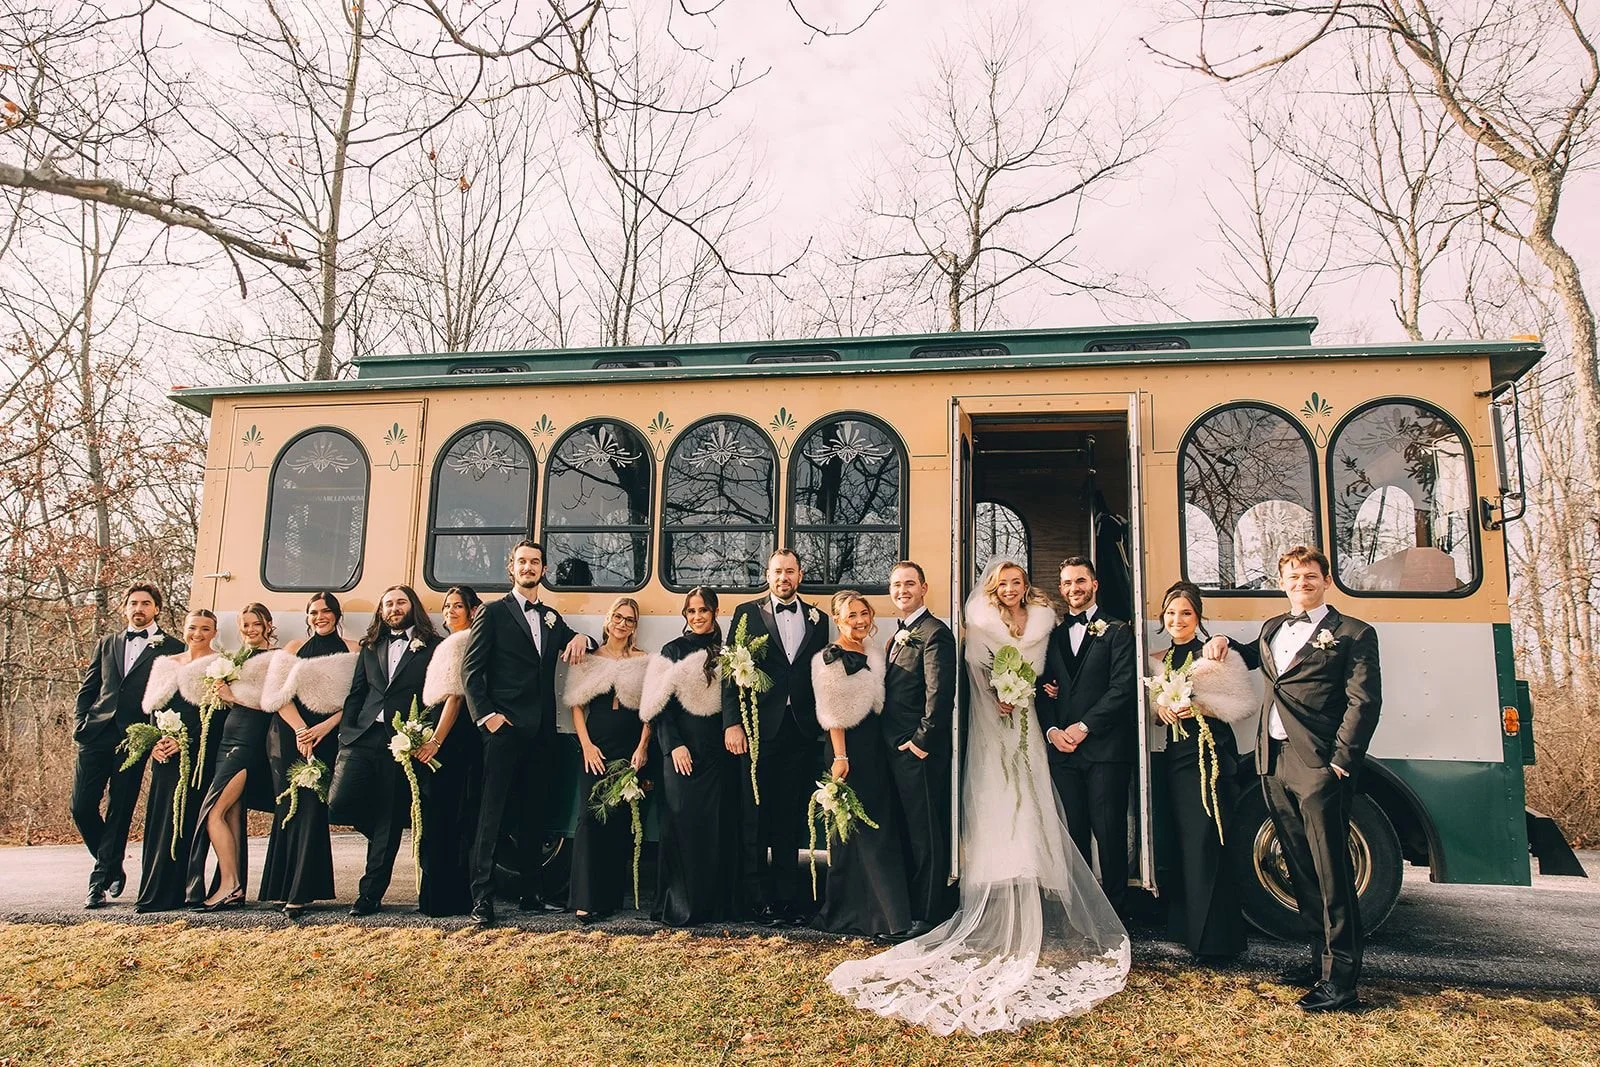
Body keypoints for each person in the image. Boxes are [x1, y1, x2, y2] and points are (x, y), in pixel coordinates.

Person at [827, 559, 1129, 1036]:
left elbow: (1045, 676)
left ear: (1026, 586)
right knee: (994, 801)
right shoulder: (974, 626)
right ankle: (995, 886)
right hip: (992, 726)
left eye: (1017, 582)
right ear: (992, 588)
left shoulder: (1041, 622)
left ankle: (1041, 889)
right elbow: (967, 677)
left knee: (1032, 801)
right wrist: (999, 693)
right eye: (1002, 582)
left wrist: (1031, 692)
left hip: (1028, 724)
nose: (1009, 589)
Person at [1204, 545, 1381, 1013]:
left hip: (1319, 764)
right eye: (1292, 577)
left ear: (1325, 580)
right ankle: (1316, 961)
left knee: (1331, 873)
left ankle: (1342, 982)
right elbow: (1257, 660)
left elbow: (1363, 702)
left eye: (1309, 577)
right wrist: (1221, 639)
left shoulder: (1353, 633)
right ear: (1282, 582)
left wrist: (1340, 762)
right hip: (1274, 760)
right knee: (1299, 866)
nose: (1300, 584)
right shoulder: (1272, 629)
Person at [462, 540, 594, 928]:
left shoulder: (551, 616)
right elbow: (472, 672)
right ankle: (481, 898)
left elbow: (587, 641)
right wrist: (487, 717)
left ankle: (530, 894)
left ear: (544, 569)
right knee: (492, 814)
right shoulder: (492, 613)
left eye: (535, 562)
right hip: (503, 730)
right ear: (511, 568)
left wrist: (581, 639)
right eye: (522, 562)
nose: (528, 568)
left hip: (541, 733)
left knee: (534, 815)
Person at [722, 548, 830, 925]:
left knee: (789, 816)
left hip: (799, 730)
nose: (784, 577)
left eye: (790, 571)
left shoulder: (820, 619)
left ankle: (787, 900)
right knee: (754, 816)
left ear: (800, 576)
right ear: (767, 576)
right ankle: (758, 900)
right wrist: (732, 723)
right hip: (756, 730)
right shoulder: (747, 613)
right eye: (777, 571)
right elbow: (730, 671)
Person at [1149, 582, 1256, 961]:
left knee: (1207, 841)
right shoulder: (1157, 659)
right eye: (1171, 613)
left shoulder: (1215, 656)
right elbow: (1153, 708)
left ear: (1198, 618)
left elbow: (1243, 703)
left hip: (1207, 755)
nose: (1177, 620)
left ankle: (1216, 940)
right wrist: (1161, 711)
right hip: (1174, 758)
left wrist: (1198, 705)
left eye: (1186, 614)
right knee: (1180, 844)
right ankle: (1186, 929)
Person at [327, 585, 440, 916]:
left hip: (401, 740)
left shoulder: (432, 646)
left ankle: (369, 894)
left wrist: (420, 732)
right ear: (380, 611)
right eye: (387, 603)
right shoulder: (371, 645)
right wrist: (347, 731)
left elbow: (435, 694)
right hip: (362, 736)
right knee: (338, 802)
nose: (394, 607)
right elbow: (357, 691)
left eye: (400, 602)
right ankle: (379, 833)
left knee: (389, 820)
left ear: (412, 607)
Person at [73, 582, 185, 909]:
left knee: (120, 809)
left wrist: (155, 735)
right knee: (80, 806)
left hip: (135, 739)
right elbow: (90, 687)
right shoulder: (107, 643)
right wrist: (81, 722)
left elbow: (168, 698)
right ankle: (111, 865)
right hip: (95, 734)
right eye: (133, 603)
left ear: (157, 609)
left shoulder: (172, 647)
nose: (139, 609)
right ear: (125, 607)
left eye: (146, 603)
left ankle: (98, 881)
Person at [1038, 556, 1139, 915]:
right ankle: (1078, 910)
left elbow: (1122, 689)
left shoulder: (1118, 631)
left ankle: (1115, 912)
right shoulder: (1053, 635)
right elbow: (1042, 686)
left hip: (1104, 748)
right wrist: (1051, 731)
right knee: (1073, 833)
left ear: (1094, 585)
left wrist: (1083, 728)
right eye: (1066, 583)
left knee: (1108, 832)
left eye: (1079, 581)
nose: (1073, 589)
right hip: (1063, 750)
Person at [812, 591, 912, 939]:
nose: (859, 620)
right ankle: (887, 917)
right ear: (837, 619)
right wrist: (840, 758)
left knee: (872, 828)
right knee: (860, 832)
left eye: (863, 613)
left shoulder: (872, 652)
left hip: (874, 746)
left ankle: (864, 912)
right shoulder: (828, 658)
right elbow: (831, 713)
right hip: (847, 749)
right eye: (851, 615)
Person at [640, 588, 739, 927]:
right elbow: (659, 705)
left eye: (703, 610)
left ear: (714, 612)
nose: (697, 616)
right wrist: (673, 746)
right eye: (691, 611)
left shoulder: (728, 651)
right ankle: (680, 905)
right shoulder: (673, 650)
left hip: (717, 752)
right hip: (681, 750)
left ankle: (714, 906)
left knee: (716, 827)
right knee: (681, 825)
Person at [260, 592, 358, 918]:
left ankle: (302, 890)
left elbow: (358, 700)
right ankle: (281, 887)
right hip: (290, 734)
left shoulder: (353, 648)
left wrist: (324, 729)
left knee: (313, 809)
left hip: (329, 736)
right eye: (314, 612)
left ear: (336, 614)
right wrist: (302, 730)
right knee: (289, 806)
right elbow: (275, 694)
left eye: (326, 611)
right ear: (308, 616)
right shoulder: (293, 649)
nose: (320, 617)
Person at [880, 561, 957, 934]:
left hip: (918, 752)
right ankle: (909, 907)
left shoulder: (934, 633)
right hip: (894, 750)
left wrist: (921, 743)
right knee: (907, 829)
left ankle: (928, 914)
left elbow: (939, 694)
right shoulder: (897, 635)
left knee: (926, 831)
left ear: (924, 588)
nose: (902, 590)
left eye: (909, 584)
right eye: (896, 585)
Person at [564, 596, 652, 922]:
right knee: (589, 820)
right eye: (618, 617)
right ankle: (586, 899)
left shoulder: (644, 660)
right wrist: (586, 745)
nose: (622, 624)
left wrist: (642, 748)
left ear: (634, 627)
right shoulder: (590, 658)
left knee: (617, 822)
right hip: (596, 747)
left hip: (628, 748)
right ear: (608, 620)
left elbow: (650, 711)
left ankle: (609, 897)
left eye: (629, 620)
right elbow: (576, 705)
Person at [190, 603, 280, 910]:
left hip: (248, 745)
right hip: (226, 741)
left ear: (268, 624)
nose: (250, 629)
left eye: (256, 623)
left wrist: (233, 695)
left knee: (213, 813)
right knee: (229, 814)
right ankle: (234, 887)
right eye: (245, 625)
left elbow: (273, 703)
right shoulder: (237, 658)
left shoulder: (274, 658)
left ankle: (230, 884)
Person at [134, 609, 221, 913]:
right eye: (193, 627)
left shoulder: (218, 666)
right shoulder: (164, 665)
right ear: (183, 629)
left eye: (205, 629)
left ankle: (187, 891)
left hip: (197, 755)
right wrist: (155, 743)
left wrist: (185, 741)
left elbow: (215, 716)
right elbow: (150, 711)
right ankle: (154, 892)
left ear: (214, 633)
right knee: (161, 819)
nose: (198, 634)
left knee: (187, 820)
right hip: (164, 755)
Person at [417, 584, 484, 917]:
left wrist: (436, 741)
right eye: (446, 607)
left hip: (454, 739)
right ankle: (442, 897)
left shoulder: (464, 641)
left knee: (447, 817)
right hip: (446, 735)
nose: (450, 612)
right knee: (443, 818)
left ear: (473, 610)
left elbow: (455, 697)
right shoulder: (450, 641)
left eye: (458, 606)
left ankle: (444, 899)